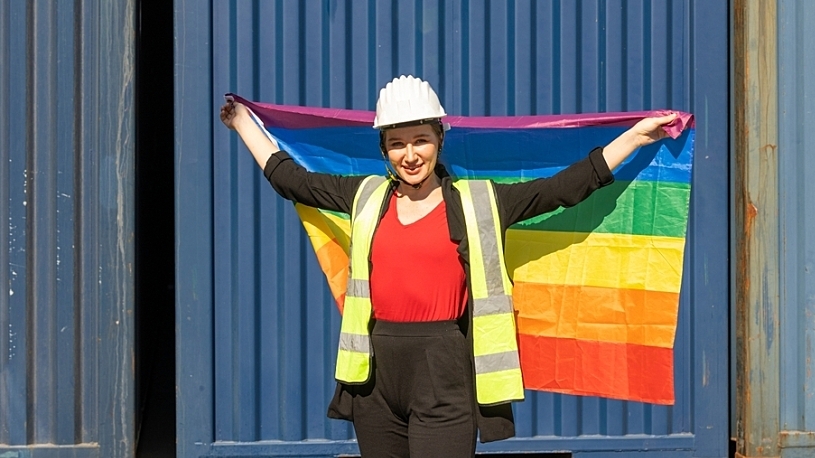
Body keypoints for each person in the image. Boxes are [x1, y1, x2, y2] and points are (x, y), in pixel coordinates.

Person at [220, 75, 676, 458]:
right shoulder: (364, 197)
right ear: (384, 150)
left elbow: (566, 187)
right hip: (374, 378)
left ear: (440, 138)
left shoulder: (482, 203)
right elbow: (290, 179)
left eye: (420, 139)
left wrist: (636, 135)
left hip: (444, 371)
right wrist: (242, 121)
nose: (410, 154)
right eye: (397, 144)